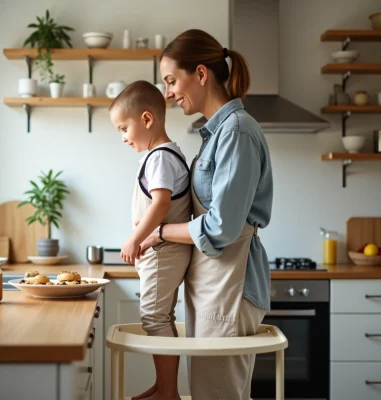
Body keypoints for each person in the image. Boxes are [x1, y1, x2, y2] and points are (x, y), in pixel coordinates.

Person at [138, 29, 273, 400]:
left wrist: (161, 232)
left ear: (200, 73)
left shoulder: (237, 132)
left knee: (217, 394)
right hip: (215, 283)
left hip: (230, 281)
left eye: (171, 80)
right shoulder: (216, 134)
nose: (167, 92)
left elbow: (222, 227)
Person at [109, 80, 193, 400]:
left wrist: (134, 240)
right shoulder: (162, 155)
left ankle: (169, 393)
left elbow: (161, 204)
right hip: (160, 251)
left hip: (164, 252)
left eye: (124, 128)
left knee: (154, 319)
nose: (123, 138)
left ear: (147, 119)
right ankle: (163, 387)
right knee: (161, 319)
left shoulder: (159, 157)